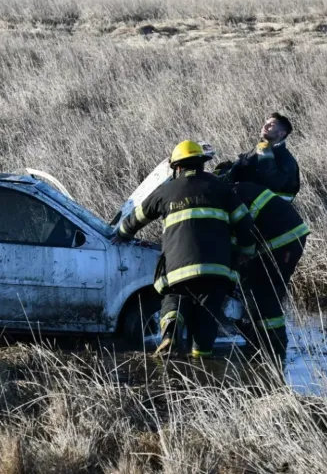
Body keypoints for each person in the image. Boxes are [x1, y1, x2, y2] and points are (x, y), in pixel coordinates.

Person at [113, 141, 257, 359]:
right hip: (217, 270)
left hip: (179, 268)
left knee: (172, 295)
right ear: (202, 165)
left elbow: (136, 218)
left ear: (177, 167)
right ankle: (201, 365)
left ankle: (170, 330)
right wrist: (245, 251)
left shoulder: (166, 191)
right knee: (207, 319)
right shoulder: (221, 188)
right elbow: (245, 224)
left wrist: (121, 234)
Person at [231, 181, 310, 363]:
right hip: (288, 236)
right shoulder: (242, 189)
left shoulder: (232, 196)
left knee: (264, 291)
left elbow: (242, 234)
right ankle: (263, 338)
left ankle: (273, 344)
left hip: (282, 241)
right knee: (263, 289)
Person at [224, 112, 300, 202]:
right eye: (265, 123)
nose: (265, 126)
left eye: (272, 125)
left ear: (281, 133)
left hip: (268, 210)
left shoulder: (286, 160)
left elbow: (273, 182)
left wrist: (265, 157)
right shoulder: (259, 149)